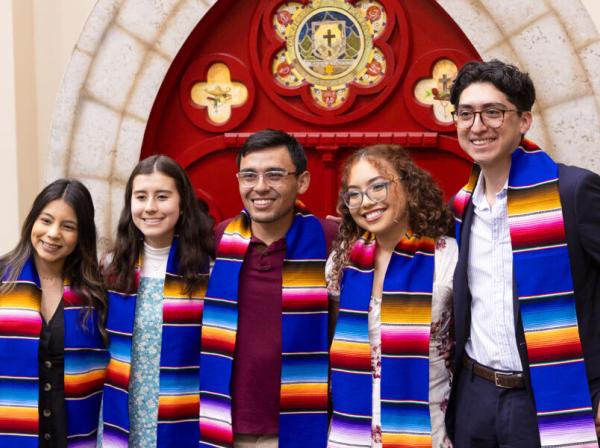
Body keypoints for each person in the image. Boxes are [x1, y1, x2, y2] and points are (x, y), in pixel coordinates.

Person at [447, 59, 600, 447]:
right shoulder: (460, 208)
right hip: (474, 398)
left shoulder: (573, 192)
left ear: (524, 120)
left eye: (493, 112)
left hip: (551, 395)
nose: (477, 125)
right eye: (466, 113)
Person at [199, 129, 337, 448]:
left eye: (274, 174)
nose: (260, 187)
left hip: (308, 424)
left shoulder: (331, 241)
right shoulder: (216, 243)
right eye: (249, 175)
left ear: (302, 181)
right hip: (226, 427)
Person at [326, 145, 456, 448]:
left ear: (407, 185)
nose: (365, 202)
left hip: (426, 429)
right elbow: (334, 336)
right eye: (354, 194)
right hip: (352, 431)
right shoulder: (341, 262)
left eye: (377, 187)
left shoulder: (448, 257)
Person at [99, 155, 214, 447]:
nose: (150, 207)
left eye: (162, 196)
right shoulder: (112, 267)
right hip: (124, 411)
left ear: (182, 203)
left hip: (186, 411)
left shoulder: (208, 271)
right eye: (141, 197)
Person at [0, 179, 108, 448]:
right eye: (46, 220)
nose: (53, 233)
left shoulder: (95, 293)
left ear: (82, 235)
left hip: (73, 435)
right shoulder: (3, 280)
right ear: (32, 222)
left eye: (68, 226)